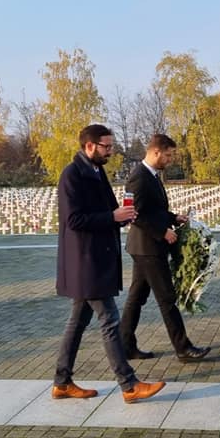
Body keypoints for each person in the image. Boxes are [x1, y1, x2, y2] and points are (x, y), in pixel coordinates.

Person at [53, 124, 166, 404]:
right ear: (89, 146)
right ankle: (129, 385)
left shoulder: (96, 170)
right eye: (106, 147)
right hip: (85, 262)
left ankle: (62, 382)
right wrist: (111, 218)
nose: (110, 152)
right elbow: (74, 220)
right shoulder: (72, 175)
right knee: (110, 320)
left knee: (77, 323)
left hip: (96, 258)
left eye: (111, 147)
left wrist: (123, 215)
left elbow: (107, 210)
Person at [119, 134, 211, 363]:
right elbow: (135, 214)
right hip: (147, 247)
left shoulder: (151, 176)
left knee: (137, 297)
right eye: (168, 155)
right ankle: (183, 349)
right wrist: (162, 231)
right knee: (166, 298)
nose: (170, 160)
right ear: (156, 152)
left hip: (145, 246)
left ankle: (125, 346)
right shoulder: (138, 177)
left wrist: (172, 217)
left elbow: (153, 209)